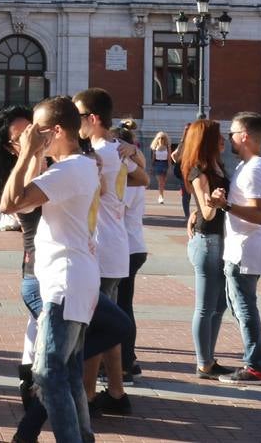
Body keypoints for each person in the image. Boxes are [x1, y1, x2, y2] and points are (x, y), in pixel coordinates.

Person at [0, 96, 100, 443]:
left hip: (65, 281)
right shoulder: (83, 165)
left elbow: (9, 202)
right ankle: (83, 437)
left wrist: (28, 152)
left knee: (47, 372)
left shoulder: (68, 169)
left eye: (37, 130)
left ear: (55, 130)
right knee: (69, 371)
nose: (30, 135)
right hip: (75, 278)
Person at [72, 88, 145, 413]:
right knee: (109, 325)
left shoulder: (98, 152)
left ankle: (88, 394)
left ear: (93, 119)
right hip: (114, 245)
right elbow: (142, 177)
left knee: (93, 327)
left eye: (78, 117)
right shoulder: (114, 150)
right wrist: (129, 153)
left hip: (100, 248)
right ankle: (115, 391)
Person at [214, 111, 261, 385]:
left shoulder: (257, 168)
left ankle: (256, 366)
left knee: (245, 307)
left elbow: (258, 213)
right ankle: (254, 361)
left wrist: (225, 205)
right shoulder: (245, 167)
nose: (230, 139)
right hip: (240, 247)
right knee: (238, 305)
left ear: (245, 136)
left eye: (233, 134)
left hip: (247, 249)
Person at [181, 119, 231, 380]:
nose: (223, 139)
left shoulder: (217, 166)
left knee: (220, 303)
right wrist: (215, 203)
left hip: (219, 241)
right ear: (207, 141)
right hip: (206, 241)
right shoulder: (199, 173)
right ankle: (204, 363)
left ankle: (209, 359)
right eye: (218, 135)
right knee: (205, 305)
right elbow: (208, 212)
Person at [115, 122, 147, 383]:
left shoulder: (128, 173)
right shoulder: (135, 171)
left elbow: (115, 206)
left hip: (125, 246)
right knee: (124, 304)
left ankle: (124, 362)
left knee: (121, 306)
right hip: (133, 245)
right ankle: (129, 359)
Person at [150, 131, 171, 204]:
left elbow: (169, 158)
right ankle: (160, 196)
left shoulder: (167, 147)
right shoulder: (154, 147)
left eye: (163, 138)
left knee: (163, 182)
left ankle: (161, 195)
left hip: (165, 164)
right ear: (157, 139)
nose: (161, 139)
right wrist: (152, 167)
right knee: (160, 182)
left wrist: (169, 167)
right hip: (157, 164)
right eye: (159, 138)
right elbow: (153, 158)